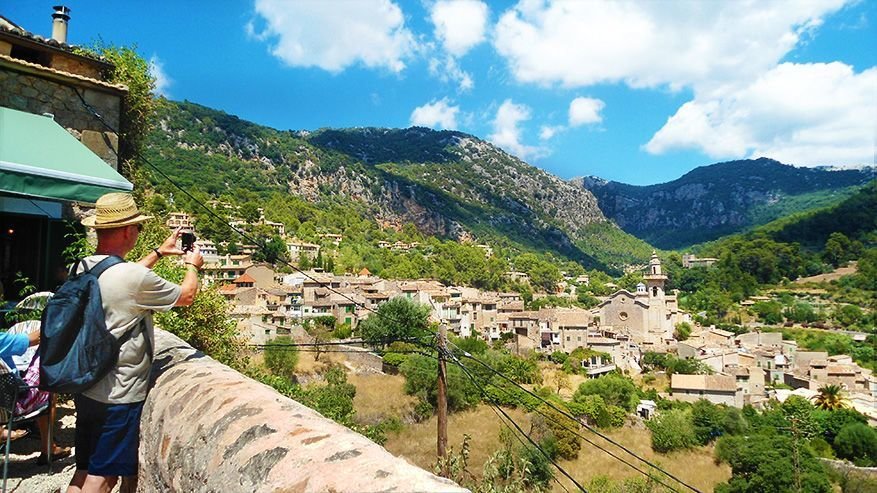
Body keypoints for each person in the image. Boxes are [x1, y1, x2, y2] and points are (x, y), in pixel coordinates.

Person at [66, 193, 203, 493]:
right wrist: (193, 265)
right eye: (138, 228)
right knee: (103, 477)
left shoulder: (83, 267)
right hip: (118, 393)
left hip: (86, 384)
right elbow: (186, 296)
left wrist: (157, 252)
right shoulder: (132, 277)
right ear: (128, 230)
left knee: (84, 469)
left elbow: (118, 276)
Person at [0, 329, 71, 463]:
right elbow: (37, 338)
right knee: (47, 378)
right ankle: (48, 448)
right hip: (11, 406)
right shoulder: (2, 340)